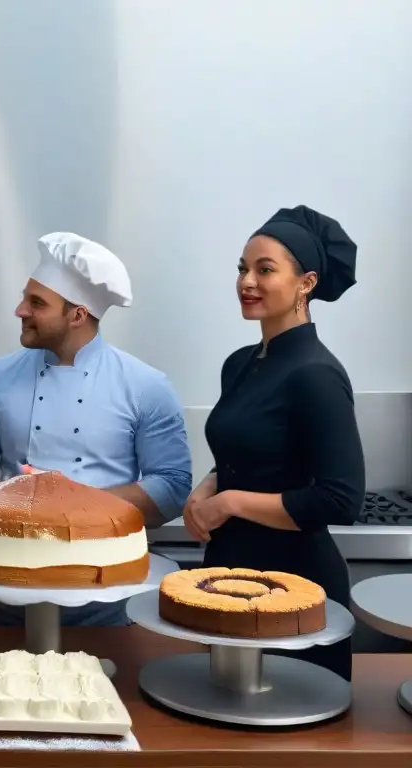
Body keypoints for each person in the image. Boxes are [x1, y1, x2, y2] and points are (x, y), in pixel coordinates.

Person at [0, 232, 192, 626]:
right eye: (25, 297)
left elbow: (171, 486)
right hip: (1, 587)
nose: (20, 310)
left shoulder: (146, 386)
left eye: (36, 303)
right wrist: (6, 509)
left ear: (77, 315)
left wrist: (71, 506)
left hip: (104, 594)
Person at [185, 205, 364, 681]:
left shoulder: (318, 374)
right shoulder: (239, 363)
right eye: (243, 269)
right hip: (227, 574)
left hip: (294, 587)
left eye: (265, 270)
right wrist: (209, 485)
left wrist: (230, 503)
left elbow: (340, 498)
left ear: (306, 283)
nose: (247, 281)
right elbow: (250, 452)